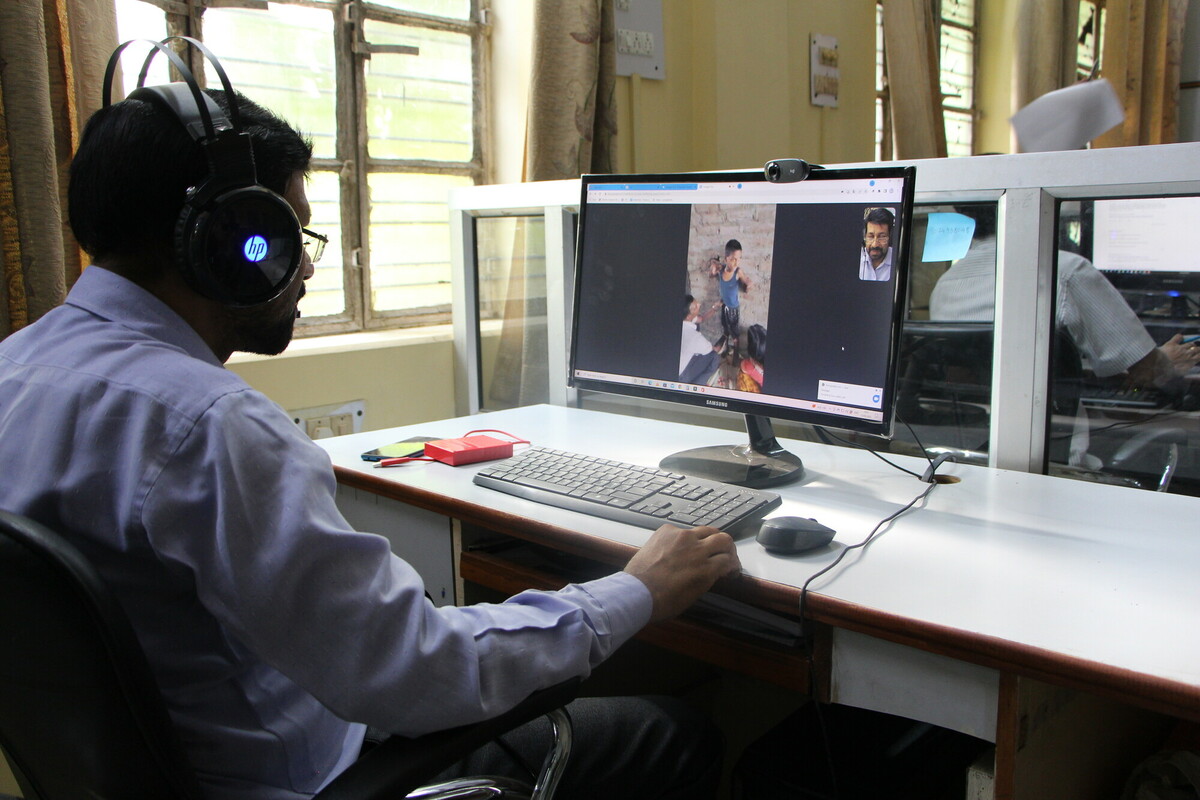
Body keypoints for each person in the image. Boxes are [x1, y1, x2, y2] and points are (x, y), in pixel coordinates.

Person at [0, 85, 740, 800]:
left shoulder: (14, 370)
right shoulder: (210, 427)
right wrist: (635, 590)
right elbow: (422, 676)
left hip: (171, 764)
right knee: (678, 735)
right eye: (286, 235)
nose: (308, 268)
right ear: (217, 242)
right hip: (311, 775)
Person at [929, 207, 1200, 465]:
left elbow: (964, 377)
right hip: (1055, 458)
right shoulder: (1065, 270)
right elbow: (1146, 372)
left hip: (975, 453)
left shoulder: (945, 285)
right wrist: (1166, 360)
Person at [710, 240, 752, 349]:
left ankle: (736, 353)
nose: (736, 262)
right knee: (725, 326)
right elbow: (712, 275)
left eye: (739, 259)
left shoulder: (738, 271)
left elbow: (746, 285)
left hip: (733, 308)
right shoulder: (721, 269)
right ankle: (726, 348)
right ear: (726, 259)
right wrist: (713, 266)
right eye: (733, 259)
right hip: (724, 305)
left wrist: (748, 285)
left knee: (734, 331)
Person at [679, 294, 724, 385]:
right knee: (715, 357)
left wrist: (714, 308)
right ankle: (695, 387)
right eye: (695, 307)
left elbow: (702, 319)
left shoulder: (683, 317)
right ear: (688, 316)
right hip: (680, 376)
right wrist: (723, 343)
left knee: (697, 324)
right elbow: (714, 349)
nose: (699, 304)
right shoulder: (695, 338)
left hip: (675, 363)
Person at [859, 207, 895, 281]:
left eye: (882, 237)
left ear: (890, 237)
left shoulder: (897, 260)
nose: (875, 244)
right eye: (870, 236)